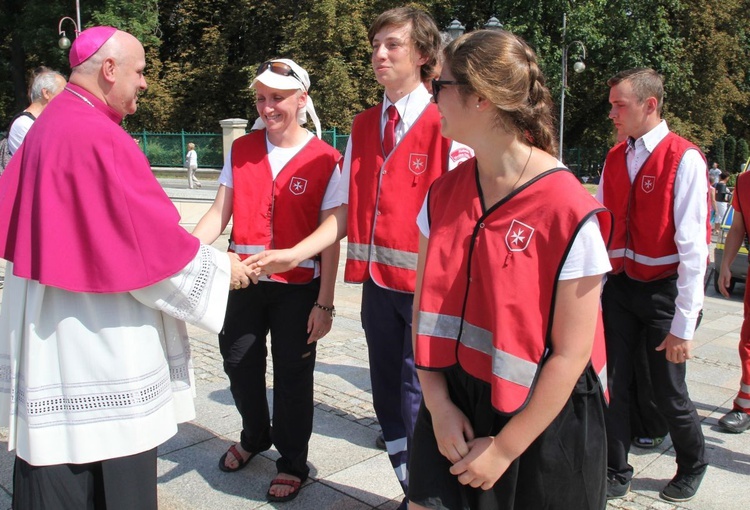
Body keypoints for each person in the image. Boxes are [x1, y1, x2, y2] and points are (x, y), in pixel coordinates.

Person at [0, 26, 254, 509]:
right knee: (116, 482)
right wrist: (224, 269)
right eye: (138, 72)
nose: (143, 83)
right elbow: (150, 253)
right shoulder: (99, 137)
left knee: (58, 474)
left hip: (52, 335)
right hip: (99, 343)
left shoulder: (50, 125)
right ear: (109, 69)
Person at [245, 8, 471, 506]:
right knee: (389, 399)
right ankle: (412, 486)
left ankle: (430, 496)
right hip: (377, 290)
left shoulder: (449, 120)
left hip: (428, 292)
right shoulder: (365, 124)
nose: (379, 54)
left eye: (392, 44)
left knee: (424, 400)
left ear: (425, 56)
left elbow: (467, 215)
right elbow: (344, 211)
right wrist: (295, 254)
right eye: (375, 45)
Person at [405, 29, 610, 510]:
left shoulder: (567, 210)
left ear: (480, 98)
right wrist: (436, 405)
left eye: (441, 86)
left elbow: (572, 354)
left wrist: (504, 449)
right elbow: (424, 311)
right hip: (453, 401)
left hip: (541, 420)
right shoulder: (442, 194)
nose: (433, 96)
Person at [192, 58, 341, 503]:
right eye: (261, 97)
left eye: (277, 97)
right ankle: (255, 435)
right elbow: (219, 214)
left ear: (302, 99)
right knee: (238, 361)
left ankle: (293, 461)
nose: (267, 106)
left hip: (299, 288)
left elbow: (332, 236)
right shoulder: (242, 149)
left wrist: (326, 302)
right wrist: (182, 250)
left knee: (294, 376)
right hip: (243, 282)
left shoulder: (325, 157)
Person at [596, 68, 709, 503]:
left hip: (665, 291)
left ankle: (693, 462)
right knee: (615, 384)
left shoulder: (684, 158)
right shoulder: (614, 157)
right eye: (611, 104)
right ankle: (614, 467)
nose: (612, 113)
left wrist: (684, 324)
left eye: (619, 105)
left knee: (668, 391)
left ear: (650, 105)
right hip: (621, 289)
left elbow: (694, 248)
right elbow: (601, 227)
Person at [717, 171, 750, 433]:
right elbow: (738, 227)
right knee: (748, 342)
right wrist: (725, 264)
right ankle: (745, 406)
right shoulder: (744, 181)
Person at [7, 67, 67, 155]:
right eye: (64, 92)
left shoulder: (45, 122)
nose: (68, 97)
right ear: (46, 93)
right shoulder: (24, 125)